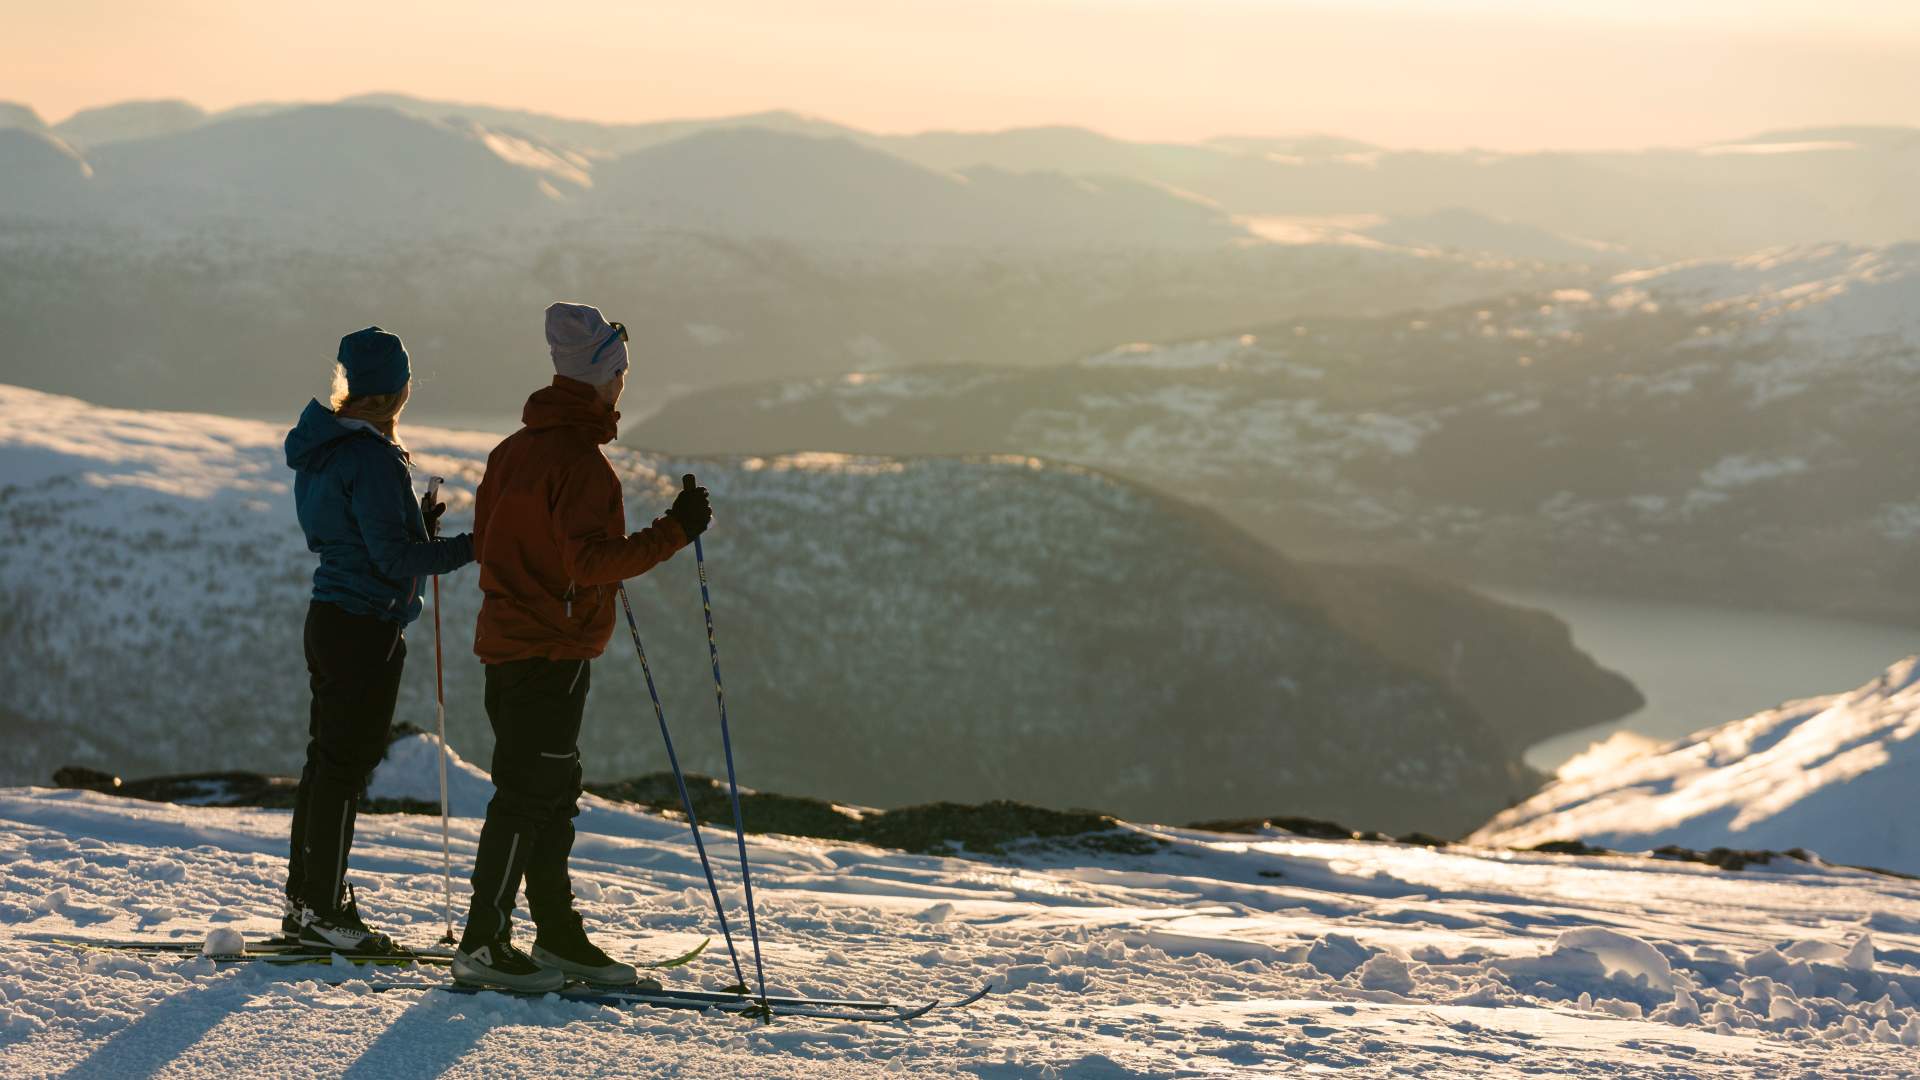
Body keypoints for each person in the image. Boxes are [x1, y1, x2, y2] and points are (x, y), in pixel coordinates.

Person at [451, 302, 713, 991]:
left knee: (547, 792)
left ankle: (557, 936)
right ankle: (484, 942)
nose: (624, 382)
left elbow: (487, 545)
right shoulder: (582, 466)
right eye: (620, 371)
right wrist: (676, 532)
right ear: (603, 377)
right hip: (551, 651)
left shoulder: (511, 452)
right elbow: (590, 563)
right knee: (528, 796)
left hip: (507, 646)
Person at [282, 327, 475, 955]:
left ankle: (307, 900)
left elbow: (356, 535)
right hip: (366, 625)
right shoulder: (371, 456)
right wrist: (469, 547)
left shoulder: (325, 448)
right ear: (398, 390)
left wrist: (413, 526)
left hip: (331, 617)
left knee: (325, 761)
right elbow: (394, 560)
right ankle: (322, 908)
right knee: (345, 765)